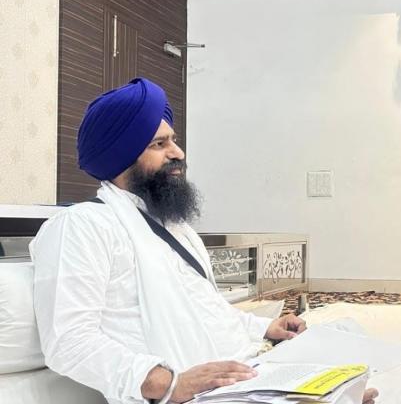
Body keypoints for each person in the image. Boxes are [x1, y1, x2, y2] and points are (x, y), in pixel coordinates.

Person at [31, 78, 378, 404]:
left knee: (347, 339)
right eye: (159, 144)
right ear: (123, 156)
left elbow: (207, 314)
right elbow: (68, 341)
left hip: (241, 375)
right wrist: (168, 384)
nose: (178, 152)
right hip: (190, 393)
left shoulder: (177, 229)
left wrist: (265, 328)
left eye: (174, 140)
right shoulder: (83, 226)